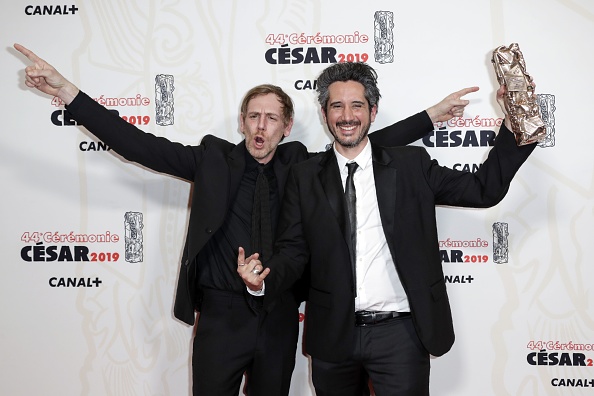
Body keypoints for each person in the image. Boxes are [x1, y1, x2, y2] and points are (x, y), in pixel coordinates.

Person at [15, 42, 477, 396]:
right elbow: (138, 144)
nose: (261, 127)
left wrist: (430, 117)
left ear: (288, 126)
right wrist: (68, 93)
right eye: (253, 117)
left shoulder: (303, 167)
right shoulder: (213, 159)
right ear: (241, 122)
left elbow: (364, 142)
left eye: (272, 118)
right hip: (221, 316)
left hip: (278, 317)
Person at [238, 62, 537, 395]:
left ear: (373, 111)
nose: (347, 115)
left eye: (357, 105)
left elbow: (484, 190)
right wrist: (262, 280)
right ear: (324, 114)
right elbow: (293, 250)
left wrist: (514, 123)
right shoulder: (305, 176)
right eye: (337, 106)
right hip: (333, 334)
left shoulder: (412, 166)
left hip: (401, 336)